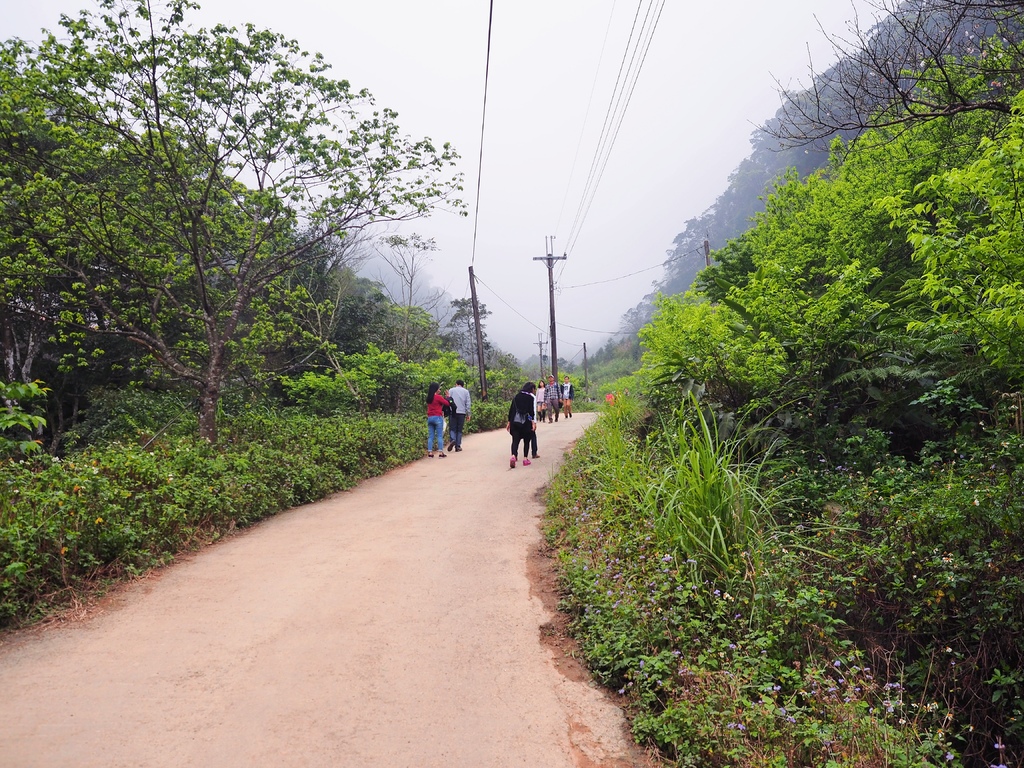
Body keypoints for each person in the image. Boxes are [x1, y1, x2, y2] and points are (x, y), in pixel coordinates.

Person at [506, 381, 536, 468]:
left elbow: (512, 410)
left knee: (515, 440)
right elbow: (531, 412)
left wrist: (509, 422)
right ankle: (525, 459)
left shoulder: (516, 396)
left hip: (515, 422)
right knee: (526, 441)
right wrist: (533, 422)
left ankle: (513, 456)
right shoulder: (530, 398)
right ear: (531, 389)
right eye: (534, 389)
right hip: (526, 423)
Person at [425, 382, 450, 458]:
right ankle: (440, 452)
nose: (439, 390)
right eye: (439, 388)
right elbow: (447, 404)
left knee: (431, 436)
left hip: (430, 418)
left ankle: (430, 453)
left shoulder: (429, 398)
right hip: (438, 417)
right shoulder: (438, 397)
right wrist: (448, 397)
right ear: (436, 389)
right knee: (439, 436)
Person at [446, 379, 471, 452]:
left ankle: (452, 439)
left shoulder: (451, 390)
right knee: (459, 429)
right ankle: (458, 446)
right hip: (462, 413)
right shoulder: (466, 392)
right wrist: (468, 414)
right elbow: (468, 403)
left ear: (456, 384)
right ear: (462, 385)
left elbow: (448, 400)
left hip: (452, 412)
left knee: (452, 428)